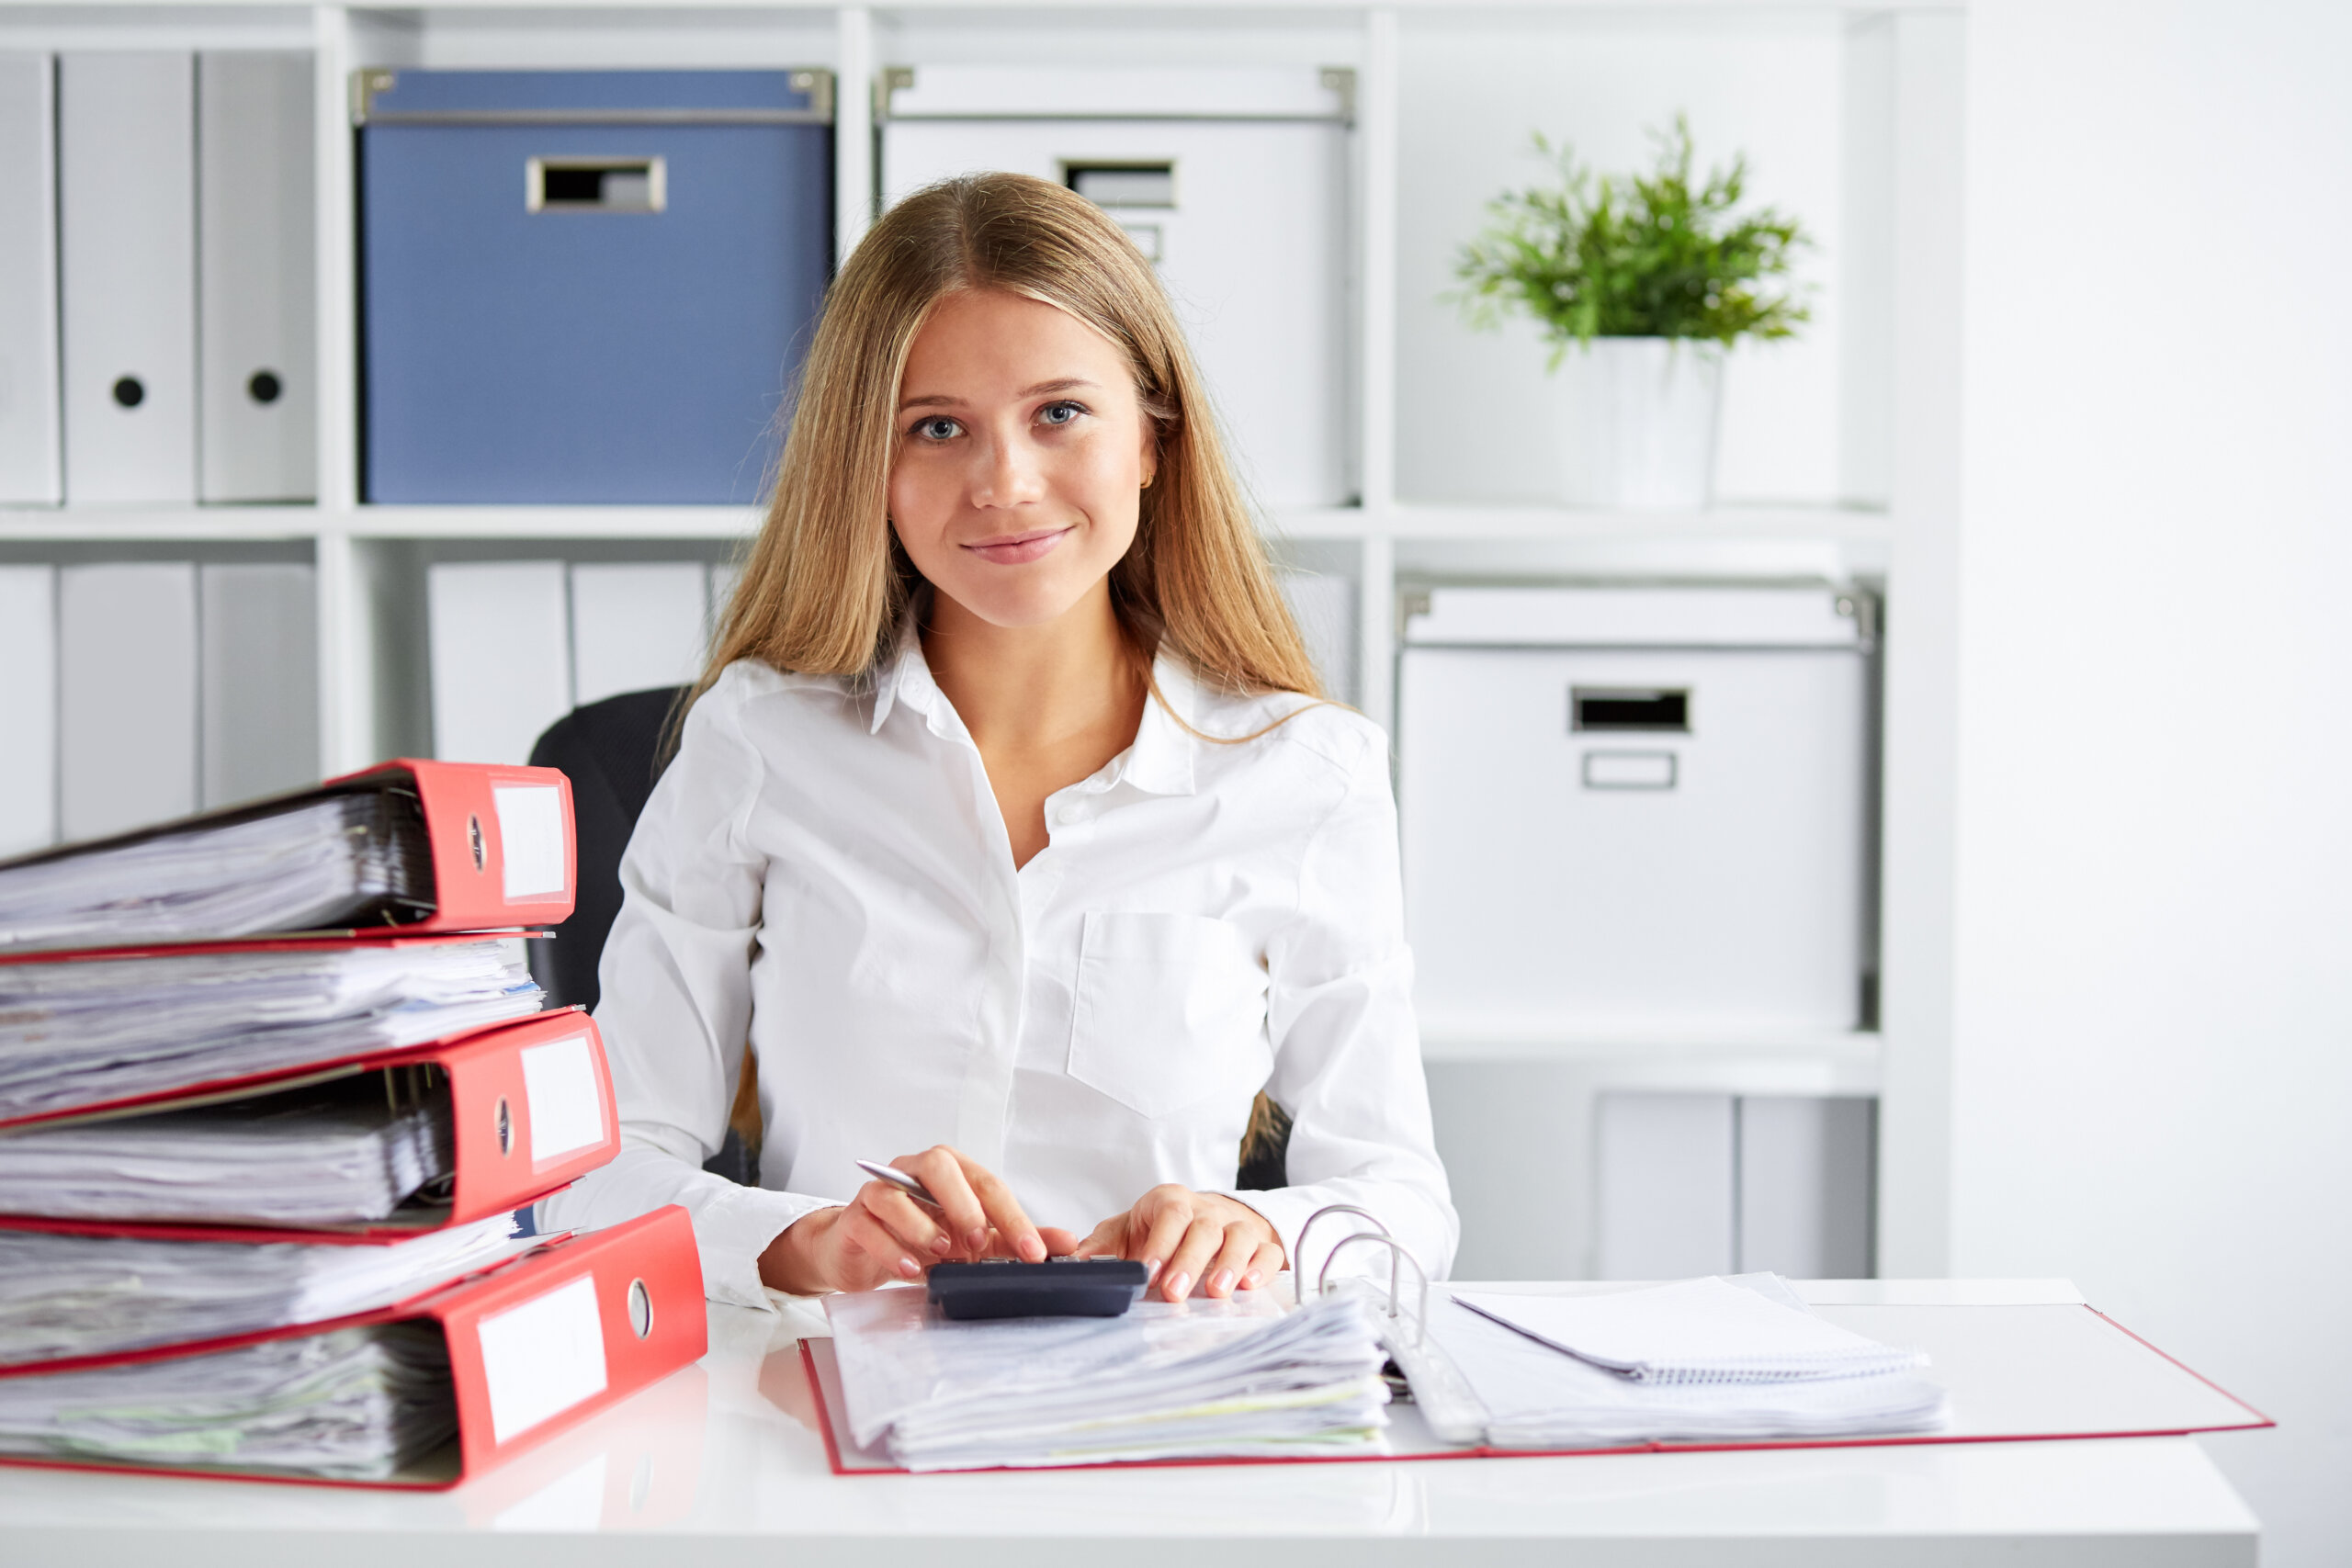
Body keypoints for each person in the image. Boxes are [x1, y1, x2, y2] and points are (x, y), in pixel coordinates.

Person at [543, 172, 1455, 1308]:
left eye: (1059, 414)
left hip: (1163, 1424)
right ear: (865, 468)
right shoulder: (756, 746)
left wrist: (1255, 1230)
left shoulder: (1306, 773)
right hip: (829, 1419)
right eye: (936, 428)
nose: (1004, 484)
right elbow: (593, 1177)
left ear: (1150, 439)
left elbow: (1403, 1203)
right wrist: (803, 1246)